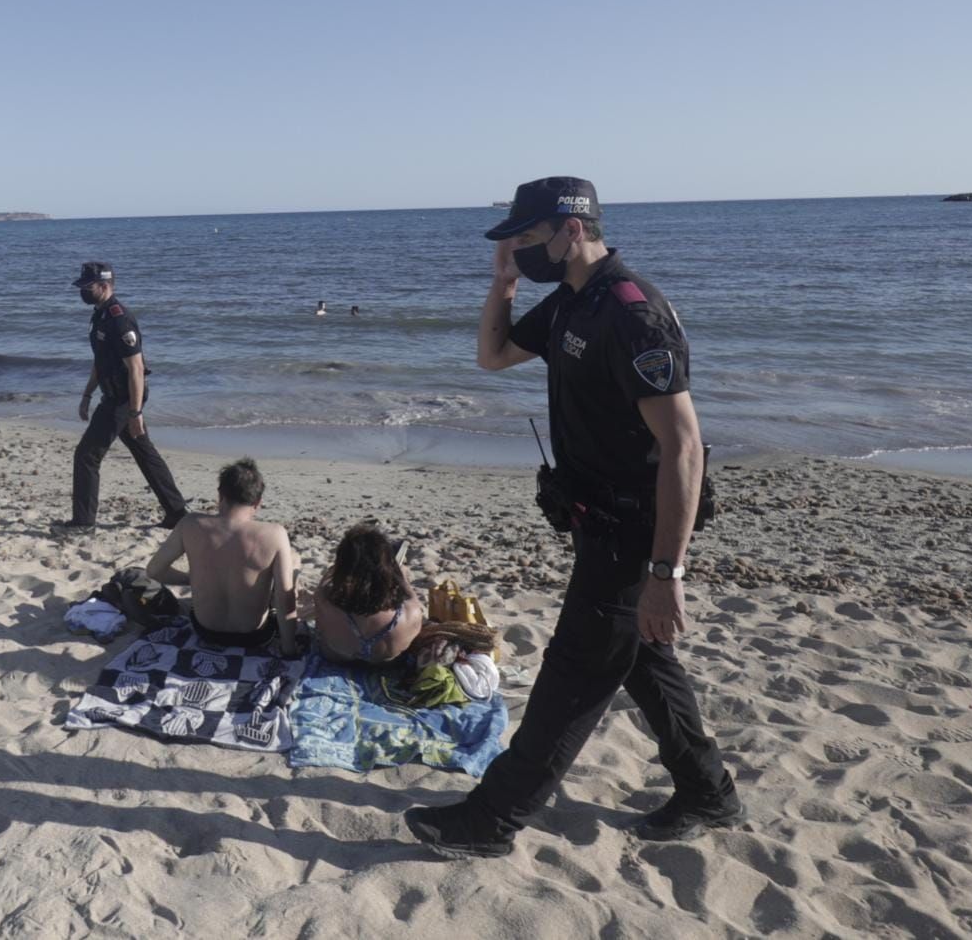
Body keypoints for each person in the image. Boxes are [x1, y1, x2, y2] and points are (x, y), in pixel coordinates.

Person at [405, 177, 741, 858]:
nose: (522, 250)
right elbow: (492, 356)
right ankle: (709, 791)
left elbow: (682, 447)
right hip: (595, 521)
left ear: (573, 229)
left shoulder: (630, 312)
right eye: (516, 241)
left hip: (632, 533)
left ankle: (491, 821)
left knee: (573, 678)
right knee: (645, 661)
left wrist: (665, 572)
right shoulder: (569, 305)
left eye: (529, 238)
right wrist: (504, 282)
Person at [67, 261, 187, 530]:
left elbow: (136, 369)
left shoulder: (120, 319)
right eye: (82, 287)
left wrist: (135, 412)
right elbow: (100, 361)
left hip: (123, 400)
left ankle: (83, 523)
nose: (83, 292)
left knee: (87, 455)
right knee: (144, 452)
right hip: (113, 397)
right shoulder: (100, 315)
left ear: (105, 286)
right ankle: (177, 513)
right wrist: (86, 395)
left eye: (88, 287)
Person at [145, 458, 299, 654]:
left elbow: (154, 570)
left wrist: (192, 579)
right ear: (258, 502)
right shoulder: (275, 533)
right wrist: (289, 649)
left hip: (205, 631)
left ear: (220, 495)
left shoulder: (190, 524)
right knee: (293, 559)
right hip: (253, 636)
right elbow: (286, 600)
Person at [310, 522, 423, 664]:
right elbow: (411, 596)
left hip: (338, 658)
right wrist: (400, 576)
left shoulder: (325, 605)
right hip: (386, 663)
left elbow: (321, 588)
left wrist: (335, 570)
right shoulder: (411, 612)